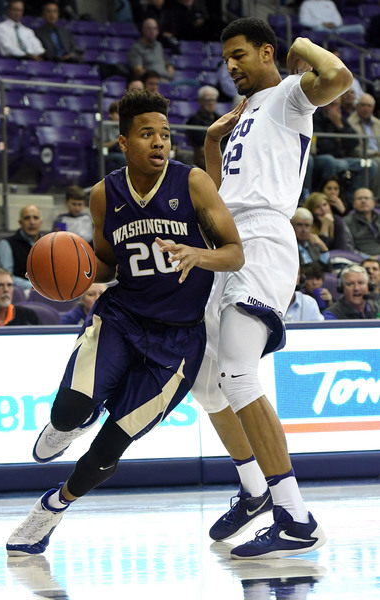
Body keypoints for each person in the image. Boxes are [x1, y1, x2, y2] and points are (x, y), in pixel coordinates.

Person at [5, 89, 244, 556]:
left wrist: (199, 254)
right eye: (147, 134)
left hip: (177, 344)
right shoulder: (103, 194)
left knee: (109, 448)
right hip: (121, 318)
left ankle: (52, 508)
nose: (159, 142)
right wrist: (69, 272)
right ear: (123, 142)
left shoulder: (193, 182)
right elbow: (107, 265)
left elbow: (235, 253)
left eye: (166, 135)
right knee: (67, 412)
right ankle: (72, 422)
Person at [190, 17, 353, 559]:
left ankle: (297, 518)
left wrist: (298, 46)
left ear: (266, 52)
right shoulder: (242, 113)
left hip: (262, 238)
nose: (230, 65)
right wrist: (212, 142)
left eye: (239, 54)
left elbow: (340, 77)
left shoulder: (287, 95)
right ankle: (255, 490)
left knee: (238, 375)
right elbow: (218, 198)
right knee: (207, 387)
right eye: (225, 58)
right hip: (228, 241)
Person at [313, 97, 378, 202]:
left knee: (370, 165)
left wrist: (339, 125)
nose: (334, 108)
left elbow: (354, 143)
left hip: (343, 158)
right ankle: (326, 199)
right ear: (325, 104)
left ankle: (350, 199)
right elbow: (324, 146)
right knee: (331, 161)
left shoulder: (341, 119)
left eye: (337, 105)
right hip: (321, 158)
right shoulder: (316, 118)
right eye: (331, 104)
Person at [0, 204, 44, 292]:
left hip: (48, 291)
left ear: (41, 222)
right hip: (21, 292)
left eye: (35, 218)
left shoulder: (49, 244)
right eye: (27, 218)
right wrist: (34, 286)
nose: (32, 222)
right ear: (20, 222)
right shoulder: (6, 244)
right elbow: (6, 276)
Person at [347, 93, 380, 199]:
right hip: (360, 155)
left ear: (373, 108)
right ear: (357, 106)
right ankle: (375, 198)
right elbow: (354, 149)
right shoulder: (350, 122)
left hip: (377, 155)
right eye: (363, 105)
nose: (366, 108)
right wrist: (375, 153)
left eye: (369, 106)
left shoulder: (377, 123)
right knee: (377, 163)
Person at [186, 85, 224, 170]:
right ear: (200, 101)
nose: (211, 102)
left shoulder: (220, 119)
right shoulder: (194, 120)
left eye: (213, 99)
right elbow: (200, 139)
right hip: (203, 156)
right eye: (208, 100)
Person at [344, 188, 380, 257]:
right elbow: (348, 247)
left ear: (373, 203)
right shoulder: (346, 222)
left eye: (366, 198)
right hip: (361, 259)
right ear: (354, 204)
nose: (363, 201)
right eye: (359, 198)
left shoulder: (378, 218)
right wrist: (367, 258)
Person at [94, 101, 127, 174]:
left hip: (121, 153)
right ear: (110, 114)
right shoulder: (104, 126)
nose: (120, 116)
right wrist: (117, 140)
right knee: (123, 159)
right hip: (106, 154)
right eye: (117, 113)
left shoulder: (125, 126)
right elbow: (101, 145)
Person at [298, 0, 365, 36]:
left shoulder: (330, 2)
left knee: (359, 27)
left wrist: (333, 24)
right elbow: (303, 21)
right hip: (319, 29)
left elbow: (339, 20)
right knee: (320, 28)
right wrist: (322, 24)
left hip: (336, 29)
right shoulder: (306, 3)